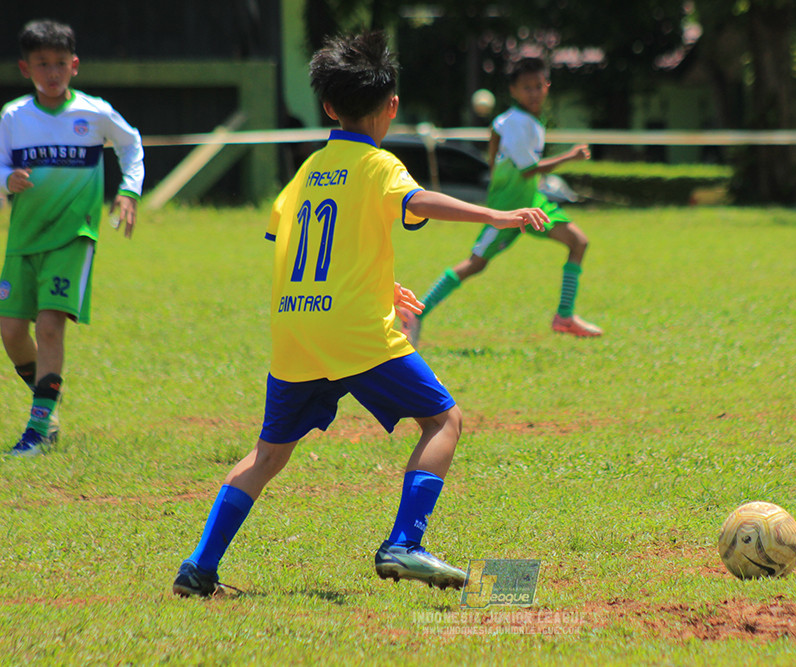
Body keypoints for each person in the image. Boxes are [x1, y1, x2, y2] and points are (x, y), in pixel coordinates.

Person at [171, 32, 548, 597]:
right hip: (351, 329)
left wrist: (377, 282)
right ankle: (404, 543)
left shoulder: (306, 171)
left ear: (328, 106)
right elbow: (416, 201)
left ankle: (198, 569)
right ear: (391, 106)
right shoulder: (378, 164)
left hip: (295, 327)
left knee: (269, 454)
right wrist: (496, 213)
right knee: (444, 420)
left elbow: (293, 239)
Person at [0, 20, 144, 457]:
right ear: (26, 68)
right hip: (24, 239)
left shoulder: (94, 112)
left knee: (49, 326)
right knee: (10, 333)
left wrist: (128, 190)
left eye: (60, 63)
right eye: (42, 64)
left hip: (73, 238)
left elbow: (131, 145)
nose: (52, 72)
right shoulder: (13, 117)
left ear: (75, 65)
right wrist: (9, 178)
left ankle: (40, 429)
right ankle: (47, 400)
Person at [399, 57, 600, 347]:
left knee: (578, 242)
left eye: (538, 86)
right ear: (514, 90)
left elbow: (496, 149)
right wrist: (571, 156)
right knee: (474, 264)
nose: (534, 92)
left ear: (547, 87)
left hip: (533, 202)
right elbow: (528, 169)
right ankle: (415, 311)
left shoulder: (518, 121)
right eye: (526, 87)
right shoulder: (517, 122)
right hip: (507, 209)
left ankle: (564, 317)